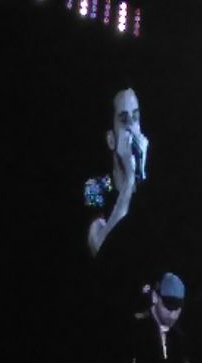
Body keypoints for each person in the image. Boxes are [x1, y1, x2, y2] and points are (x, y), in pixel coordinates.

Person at [85, 84, 149, 260]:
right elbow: (99, 248)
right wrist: (129, 181)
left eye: (135, 118)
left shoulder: (151, 185)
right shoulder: (95, 187)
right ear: (111, 140)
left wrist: (139, 176)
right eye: (124, 120)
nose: (132, 128)